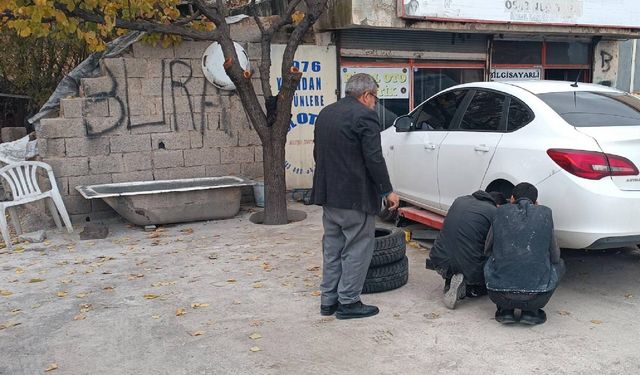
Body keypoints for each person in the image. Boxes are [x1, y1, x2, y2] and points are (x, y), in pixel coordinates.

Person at [311, 73, 400, 320]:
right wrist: (387, 190)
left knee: (332, 248)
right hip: (354, 197)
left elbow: (318, 153)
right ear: (366, 95)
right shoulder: (365, 116)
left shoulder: (326, 113)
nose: (375, 104)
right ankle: (349, 302)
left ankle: (328, 301)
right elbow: (374, 158)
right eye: (375, 98)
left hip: (329, 195)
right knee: (357, 248)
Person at [484, 182, 565, 325]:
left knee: (490, 261)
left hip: (498, 294)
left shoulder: (499, 212)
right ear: (536, 202)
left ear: (512, 199)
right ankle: (531, 313)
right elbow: (555, 256)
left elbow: (487, 249)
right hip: (537, 297)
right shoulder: (545, 214)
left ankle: (505, 311)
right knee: (561, 265)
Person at [427, 190, 506, 309]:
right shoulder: (494, 211)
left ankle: (449, 281)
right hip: (469, 264)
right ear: (498, 205)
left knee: (458, 247)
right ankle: (469, 289)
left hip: (438, 258)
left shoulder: (459, 200)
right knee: (494, 254)